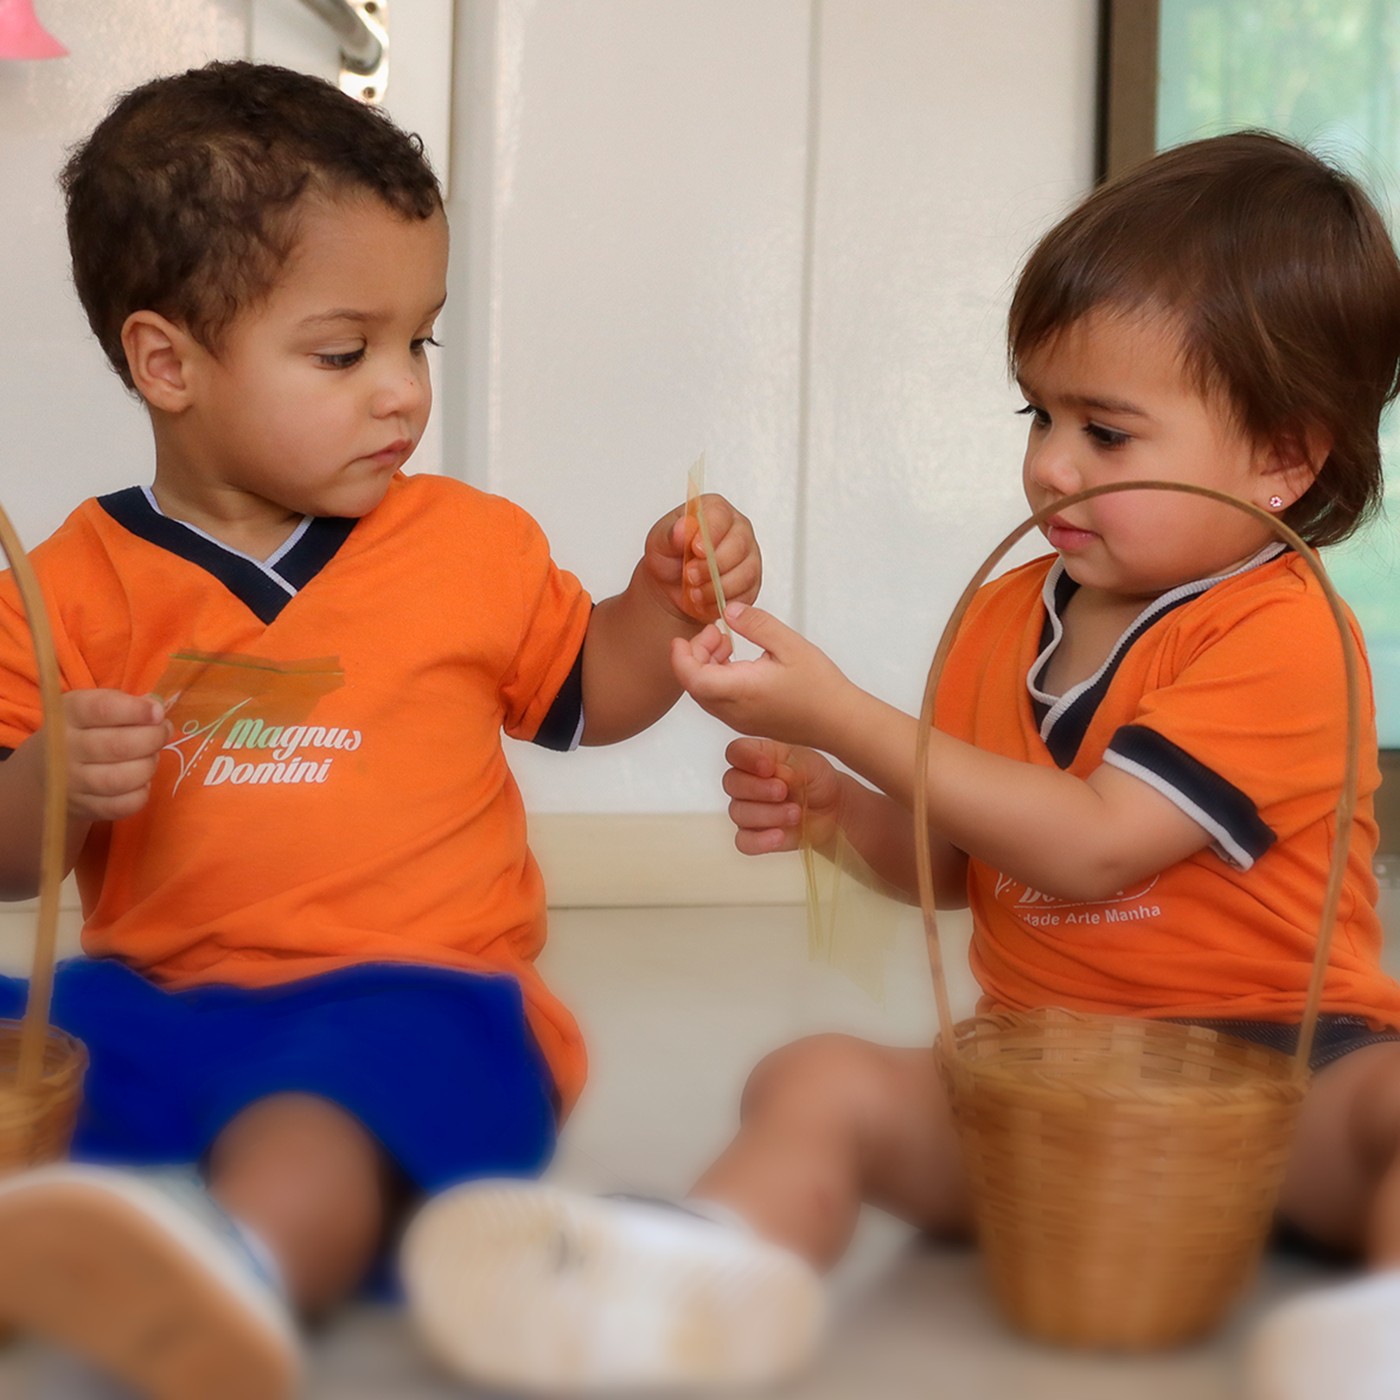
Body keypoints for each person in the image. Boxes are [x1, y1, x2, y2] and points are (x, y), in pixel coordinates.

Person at [424, 132, 1400, 1400]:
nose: (1050, 462)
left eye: (1105, 432)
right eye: (1038, 413)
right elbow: (961, 862)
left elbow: (1095, 841)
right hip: (1037, 1089)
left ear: (1281, 456)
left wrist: (838, 717)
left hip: (1278, 1086)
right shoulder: (1002, 616)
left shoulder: (1281, 634)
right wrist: (843, 814)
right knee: (813, 1078)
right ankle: (690, 1283)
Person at [0, 60, 766, 1400]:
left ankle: (232, 1279)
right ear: (166, 362)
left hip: (415, 1001)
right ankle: (83, 1246)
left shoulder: (467, 545)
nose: (403, 391)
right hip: (151, 1003)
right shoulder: (62, 586)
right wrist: (49, 779)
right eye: (344, 353)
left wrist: (657, 605)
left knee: (317, 1127)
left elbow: (593, 689)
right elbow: (11, 863)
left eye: (421, 341)